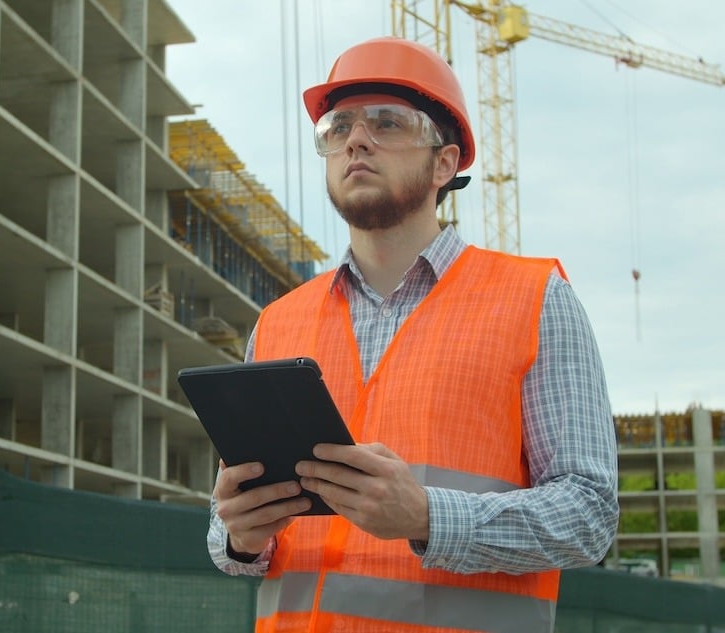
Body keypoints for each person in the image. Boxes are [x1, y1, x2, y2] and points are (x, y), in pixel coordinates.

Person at [206, 36, 618, 633]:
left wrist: (428, 516)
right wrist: (239, 535)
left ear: (445, 164)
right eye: (338, 126)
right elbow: (229, 537)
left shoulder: (535, 301)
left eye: (387, 123)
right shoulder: (277, 323)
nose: (356, 139)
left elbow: (590, 515)